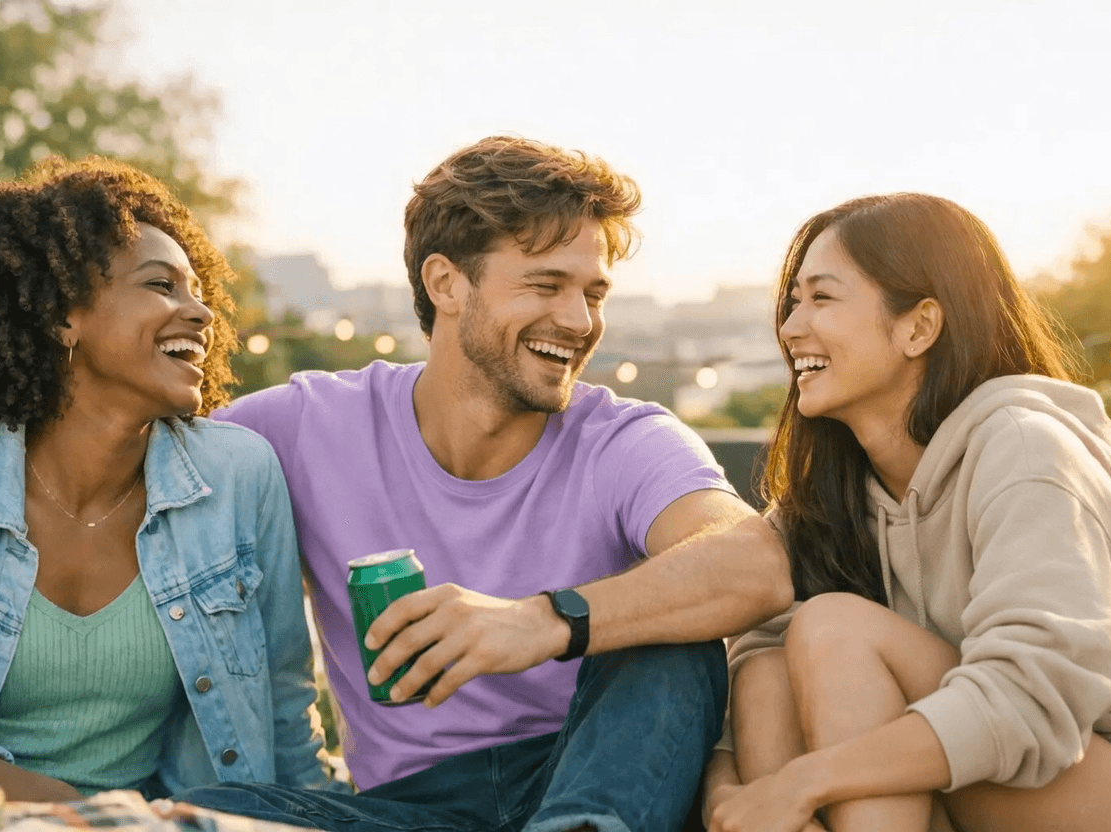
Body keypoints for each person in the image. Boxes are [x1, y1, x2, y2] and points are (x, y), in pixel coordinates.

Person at [178, 135, 792, 832]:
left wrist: (541, 622)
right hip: (406, 812)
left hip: (590, 779)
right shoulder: (303, 424)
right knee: (198, 811)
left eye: (593, 294)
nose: (579, 320)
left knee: (674, 629)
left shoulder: (626, 439)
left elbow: (756, 563)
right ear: (446, 283)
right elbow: (141, 459)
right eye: (546, 285)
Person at [702, 192, 1111, 832]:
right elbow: (752, 651)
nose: (790, 328)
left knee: (835, 628)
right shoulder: (831, 491)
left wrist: (801, 784)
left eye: (822, 298)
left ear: (918, 327)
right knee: (770, 669)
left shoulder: (1026, 448)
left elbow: (1034, 697)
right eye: (792, 302)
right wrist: (728, 792)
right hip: (983, 784)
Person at [0, 156, 329, 802]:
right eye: (162, 285)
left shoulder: (240, 475)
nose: (201, 313)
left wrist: (318, 816)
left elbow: (284, 708)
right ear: (63, 316)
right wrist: (89, 816)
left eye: (199, 292)